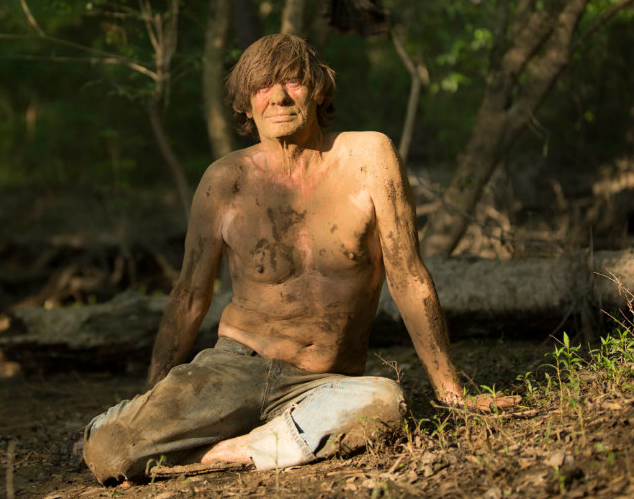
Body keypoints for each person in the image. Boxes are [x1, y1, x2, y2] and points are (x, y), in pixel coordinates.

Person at [81, 34, 516, 485]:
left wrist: (452, 391)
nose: (280, 96)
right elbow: (190, 296)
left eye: (293, 81)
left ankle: (230, 449)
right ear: (244, 106)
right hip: (232, 367)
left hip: (324, 384)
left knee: (384, 403)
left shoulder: (369, 157)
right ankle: (268, 441)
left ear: (320, 90)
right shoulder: (224, 180)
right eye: (263, 86)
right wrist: (157, 395)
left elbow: (408, 276)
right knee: (108, 449)